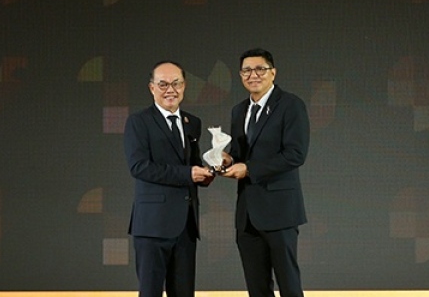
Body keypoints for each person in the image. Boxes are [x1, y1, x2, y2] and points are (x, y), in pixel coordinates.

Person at [221, 48, 309, 297]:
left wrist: (248, 169)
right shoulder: (239, 111)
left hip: (280, 211)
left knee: (289, 285)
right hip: (247, 215)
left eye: (260, 69)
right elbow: (241, 154)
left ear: (273, 73)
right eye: (247, 70)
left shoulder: (291, 105)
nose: (253, 75)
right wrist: (228, 159)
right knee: (257, 288)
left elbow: (295, 154)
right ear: (240, 75)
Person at [124, 60, 215, 297]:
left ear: (184, 86)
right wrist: (188, 174)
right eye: (163, 84)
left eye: (176, 83)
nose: (170, 90)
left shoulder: (192, 122)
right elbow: (139, 167)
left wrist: (208, 173)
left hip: (186, 225)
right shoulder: (139, 122)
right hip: (152, 226)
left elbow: (192, 164)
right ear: (151, 88)